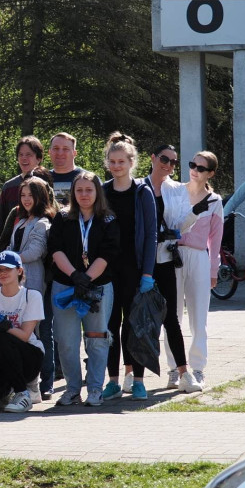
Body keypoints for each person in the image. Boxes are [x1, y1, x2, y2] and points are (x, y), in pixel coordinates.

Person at [49, 171, 120, 407]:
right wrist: (74, 275)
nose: (84, 195)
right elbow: (55, 249)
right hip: (65, 286)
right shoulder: (62, 218)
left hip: (97, 287)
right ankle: (71, 389)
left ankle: (95, 389)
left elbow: (108, 254)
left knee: (97, 338)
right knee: (67, 340)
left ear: (97, 192)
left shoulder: (108, 220)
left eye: (89, 190)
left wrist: (87, 278)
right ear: (73, 193)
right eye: (79, 190)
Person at [101, 133, 157, 402]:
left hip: (134, 270)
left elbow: (150, 236)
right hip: (107, 270)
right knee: (110, 325)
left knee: (135, 326)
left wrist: (147, 272)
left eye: (121, 161)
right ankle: (112, 381)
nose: (116, 166)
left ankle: (138, 381)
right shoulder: (102, 191)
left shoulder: (142, 191)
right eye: (112, 161)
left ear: (131, 162)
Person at [163, 151, 224, 389]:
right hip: (173, 254)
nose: (195, 170)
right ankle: (173, 368)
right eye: (192, 165)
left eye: (201, 167)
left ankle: (198, 368)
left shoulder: (214, 201)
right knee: (172, 315)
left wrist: (213, 270)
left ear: (210, 173)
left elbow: (215, 240)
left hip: (198, 256)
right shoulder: (176, 191)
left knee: (199, 315)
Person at [145, 145, 200, 392]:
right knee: (137, 317)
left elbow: (183, 223)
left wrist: (193, 216)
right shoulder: (140, 187)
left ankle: (183, 372)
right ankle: (130, 376)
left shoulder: (177, 189)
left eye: (174, 162)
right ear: (153, 158)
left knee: (171, 318)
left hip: (165, 259)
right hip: (141, 262)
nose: (168, 165)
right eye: (164, 159)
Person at [4, 174, 56, 400]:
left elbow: (35, 251)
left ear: (41, 196)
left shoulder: (43, 222)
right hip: (18, 282)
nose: (26, 199)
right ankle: (27, 380)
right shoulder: (21, 219)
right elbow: (11, 244)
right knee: (22, 330)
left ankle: (46, 382)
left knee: (41, 332)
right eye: (23, 195)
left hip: (34, 283)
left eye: (30, 195)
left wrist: (9, 259)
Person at [0, 251, 46, 413]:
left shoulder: (31, 296)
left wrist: (6, 327)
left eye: (7, 269)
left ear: (19, 271)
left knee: (0, 337)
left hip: (29, 355)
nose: (3, 273)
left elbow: (25, 335)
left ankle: (23, 393)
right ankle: (10, 390)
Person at [0, 136, 44, 274]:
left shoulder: (45, 184)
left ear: (39, 158)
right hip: (11, 253)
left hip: (38, 254)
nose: (24, 159)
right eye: (21, 155)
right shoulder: (9, 187)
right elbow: (0, 223)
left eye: (29, 155)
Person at [49, 132, 83, 206]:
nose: (60, 153)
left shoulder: (88, 179)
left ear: (74, 153)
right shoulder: (42, 178)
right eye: (56, 148)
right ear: (49, 152)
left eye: (65, 149)